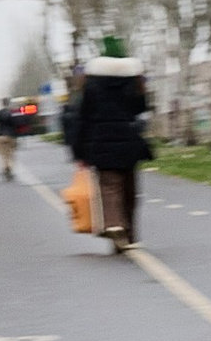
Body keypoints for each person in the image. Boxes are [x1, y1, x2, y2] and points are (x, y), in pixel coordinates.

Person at [65, 35, 152, 252]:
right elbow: (141, 109)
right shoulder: (134, 82)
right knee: (130, 188)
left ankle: (114, 224)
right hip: (129, 141)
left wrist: (78, 150)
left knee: (109, 185)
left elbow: (82, 117)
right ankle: (129, 234)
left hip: (100, 142)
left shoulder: (91, 84)